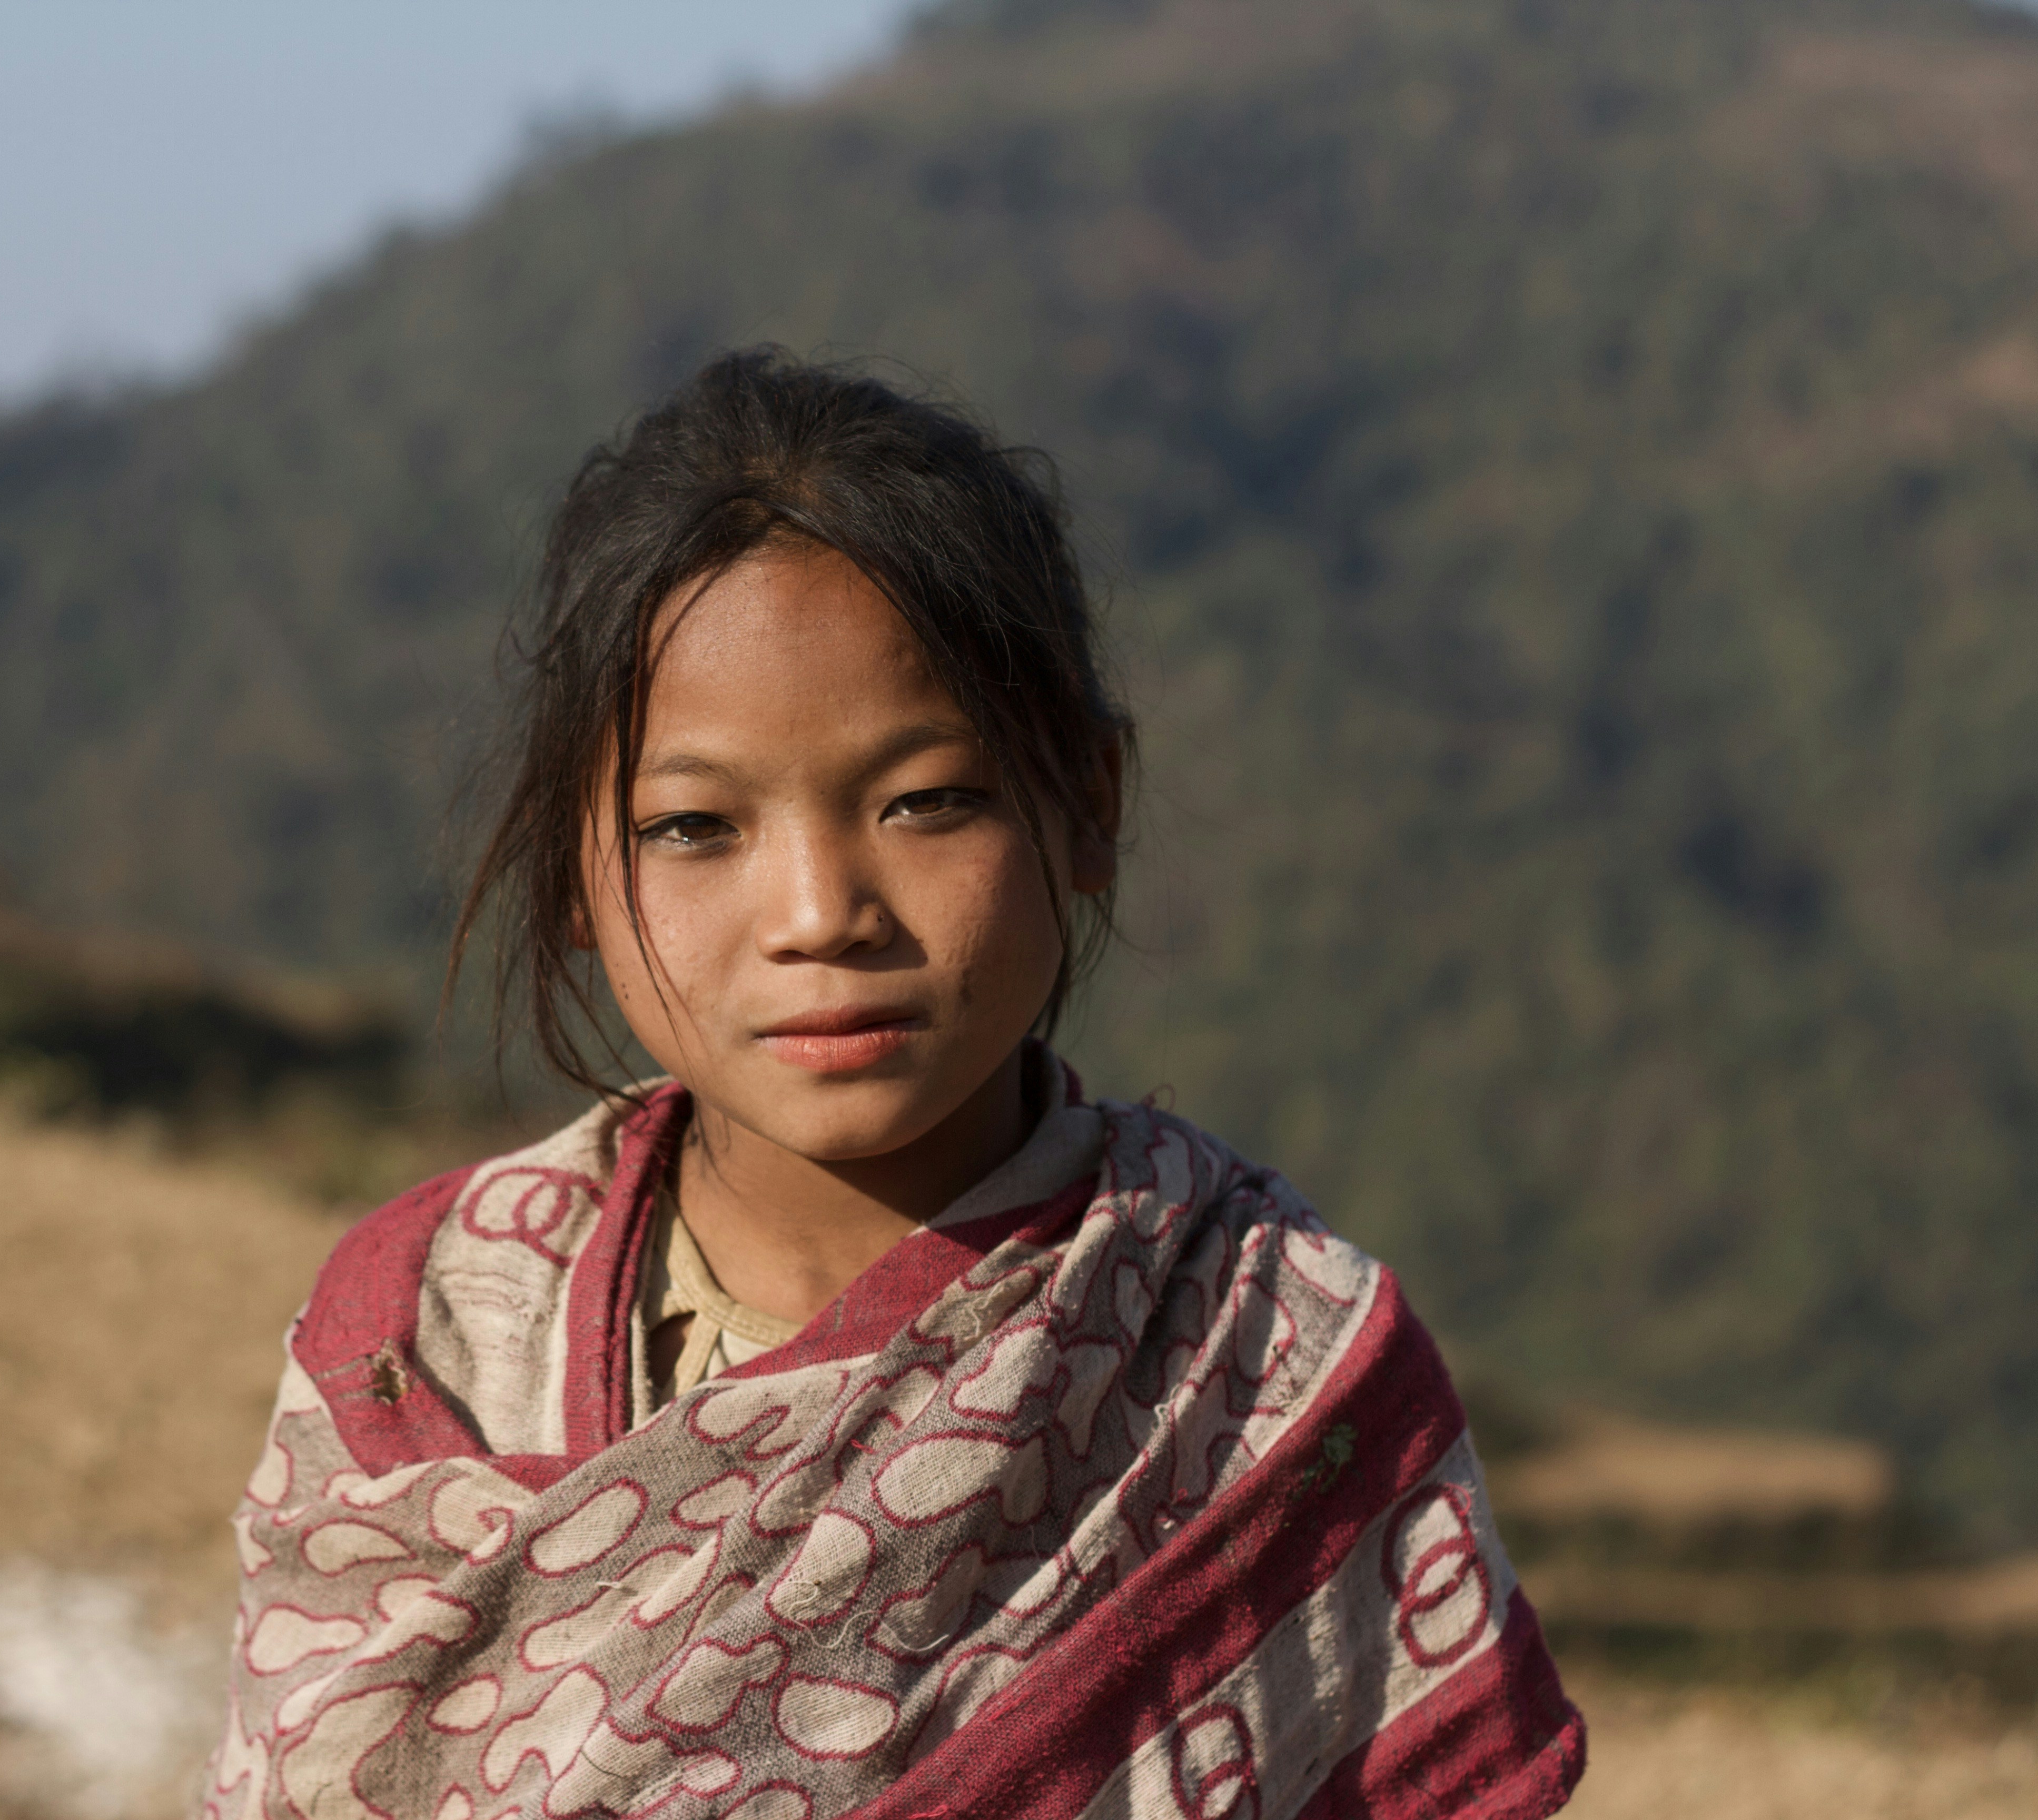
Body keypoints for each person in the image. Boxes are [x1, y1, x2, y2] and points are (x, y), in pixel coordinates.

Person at [199, 350, 1585, 1819]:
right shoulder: (427, 1338)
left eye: (927, 802)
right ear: (574, 875)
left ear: (1089, 804)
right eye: (694, 828)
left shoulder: (1263, 1360)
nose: (820, 913)